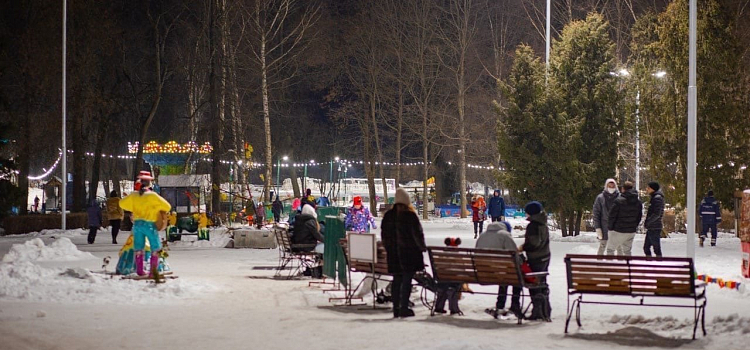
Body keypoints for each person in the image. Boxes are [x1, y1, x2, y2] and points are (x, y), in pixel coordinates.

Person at [381, 188, 426, 318]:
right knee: (406, 281)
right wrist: (422, 248)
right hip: (409, 255)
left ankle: (396, 308)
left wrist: (389, 248)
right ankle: (404, 307)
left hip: (393, 255)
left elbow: (384, 236)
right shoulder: (410, 216)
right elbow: (417, 235)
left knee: (397, 280)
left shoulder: (388, 216)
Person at [119, 171, 171, 276]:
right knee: (155, 246)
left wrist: (133, 207)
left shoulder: (134, 195)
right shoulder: (153, 196)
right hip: (149, 225)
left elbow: (122, 204)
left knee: (138, 247)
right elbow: (167, 206)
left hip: (137, 225)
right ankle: (153, 271)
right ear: (149, 182)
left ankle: (139, 270)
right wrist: (156, 208)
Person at [476, 221, 522, 319]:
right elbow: (514, 255)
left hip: (483, 272)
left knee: (504, 273)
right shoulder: (505, 235)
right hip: (500, 272)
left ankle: (500, 304)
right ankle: (515, 305)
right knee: (516, 276)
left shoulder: (483, 235)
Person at [518, 201, 551, 321]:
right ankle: (545, 310)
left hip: (536, 258)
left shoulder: (533, 225)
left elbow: (533, 243)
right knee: (542, 282)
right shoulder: (543, 223)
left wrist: (523, 248)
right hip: (545, 256)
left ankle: (538, 311)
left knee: (534, 283)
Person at [606, 181, 643, 256]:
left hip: (618, 230)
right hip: (631, 231)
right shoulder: (638, 202)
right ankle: (628, 266)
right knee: (627, 251)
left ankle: (610, 266)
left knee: (610, 250)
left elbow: (612, 215)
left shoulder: (618, 201)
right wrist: (634, 226)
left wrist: (610, 227)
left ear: (623, 189)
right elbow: (639, 216)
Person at [592, 178, 620, 255]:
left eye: (612, 185)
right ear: (606, 186)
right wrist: (598, 228)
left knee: (619, 247)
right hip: (604, 226)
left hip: (617, 227)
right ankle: (599, 264)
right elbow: (596, 213)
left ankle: (620, 265)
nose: (611, 187)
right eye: (609, 185)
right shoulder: (600, 198)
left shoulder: (620, 197)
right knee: (603, 245)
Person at [643, 182, 665, 257]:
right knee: (646, 248)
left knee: (656, 248)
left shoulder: (657, 198)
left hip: (654, 226)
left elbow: (657, 213)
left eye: (648, 188)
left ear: (653, 189)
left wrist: (649, 221)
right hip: (652, 226)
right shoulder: (654, 197)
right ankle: (650, 263)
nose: (647, 189)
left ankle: (658, 263)